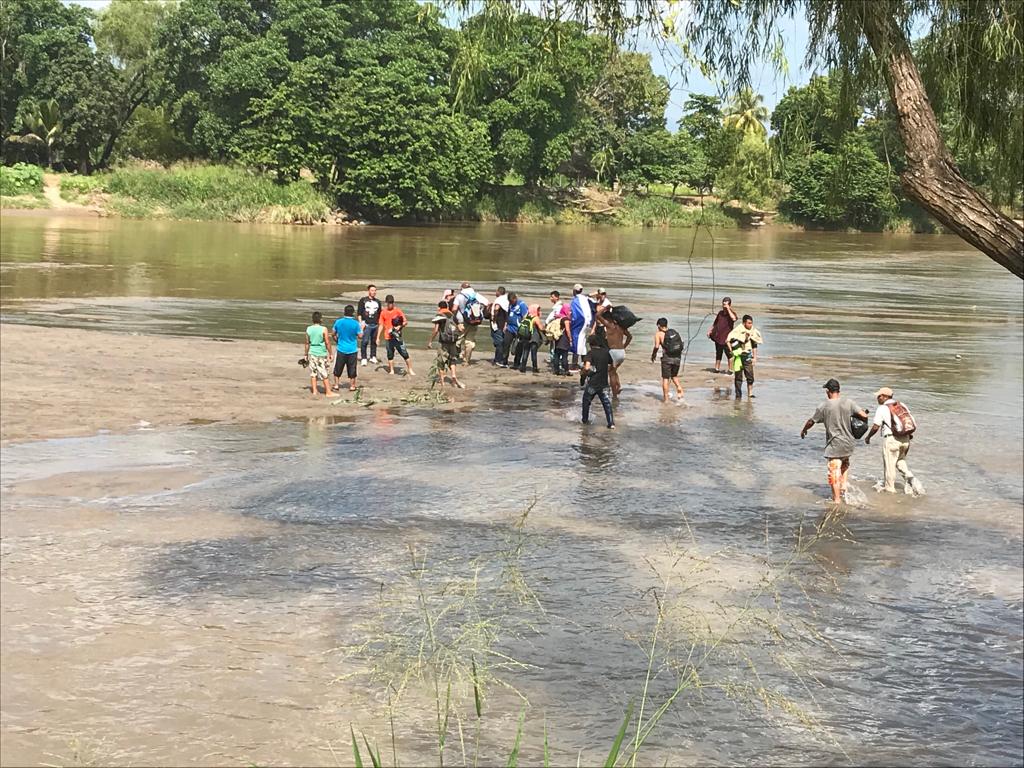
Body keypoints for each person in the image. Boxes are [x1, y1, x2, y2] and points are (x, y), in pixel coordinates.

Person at [801, 379, 869, 504]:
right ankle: (843, 492)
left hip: (834, 445)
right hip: (849, 444)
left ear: (828, 391)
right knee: (844, 466)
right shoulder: (849, 402)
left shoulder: (824, 406)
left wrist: (804, 430)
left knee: (833, 472)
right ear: (839, 390)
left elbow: (812, 421)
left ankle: (836, 501)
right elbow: (864, 416)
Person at [865, 386, 925, 496]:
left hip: (892, 440)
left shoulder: (883, 408)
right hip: (906, 439)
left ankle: (890, 494)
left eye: (879, 396)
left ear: (884, 397)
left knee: (889, 467)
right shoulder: (901, 405)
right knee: (900, 461)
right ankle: (910, 478)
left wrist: (868, 437)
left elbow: (875, 426)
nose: (877, 398)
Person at [428, 301, 466, 389]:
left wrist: (430, 341)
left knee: (441, 362)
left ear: (439, 307)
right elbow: (460, 328)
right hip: (452, 342)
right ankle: (453, 377)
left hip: (443, 342)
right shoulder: (453, 315)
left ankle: (442, 382)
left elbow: (436, 330)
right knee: (452, 360)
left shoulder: (440, 315)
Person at [597, 304, 633, 396]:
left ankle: (614, 394)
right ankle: (618, 386)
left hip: (614, 352)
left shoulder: (609, 325)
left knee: (611, 373)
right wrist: (624, 346)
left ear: (607, 319)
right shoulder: (621, 326)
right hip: (622, 352)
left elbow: (597, 315)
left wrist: (605, 308)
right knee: (613, 370)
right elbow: (630, 337)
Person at [581, 333, 615, 429]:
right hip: (604, 383)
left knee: (586, 401)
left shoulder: (590, 353)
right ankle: (611, 423)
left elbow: (587, 368)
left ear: (590, 344)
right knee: (607, 403)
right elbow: (612, 365)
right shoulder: (605, 352)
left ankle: (585, 420)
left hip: (593, 384)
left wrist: (584, 372)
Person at [377, 295, 415, 376]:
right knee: (390, 354)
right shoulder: (383, 312)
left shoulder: (398, 311)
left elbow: (405, 322)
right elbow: (381, 325)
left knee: (404, 353)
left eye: (391, 303)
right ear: (386, 303)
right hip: (388, 336)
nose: (390, 304)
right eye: (389, 303)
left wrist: (399, 326)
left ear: (393, 303)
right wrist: (377, 337)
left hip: (397, 336)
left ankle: (410, 369)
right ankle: (391, 370)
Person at [726, 314, 763, 398]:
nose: (750, 325)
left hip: (748, 356)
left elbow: (754, 346)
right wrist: (731, 351)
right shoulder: (737, 331)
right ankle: (738, 394)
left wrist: (755, 358)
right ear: (744, 323)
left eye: (751, 323)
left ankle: (750, 393)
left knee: (750, 376)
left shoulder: (753, 333)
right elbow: (728, 340)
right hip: (738, 357)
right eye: (749, 323)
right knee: (738, 377)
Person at [651, 317, 684, 402]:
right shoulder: (673, 332)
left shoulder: (659, 334)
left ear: (659, 325)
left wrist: (653, 355)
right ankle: (679, 387)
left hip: (667, 358)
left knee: (665, 378)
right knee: (674, 376)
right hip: (677, 357)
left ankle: (666, 399)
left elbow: (656, 346)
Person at [303, 311, 336, 397]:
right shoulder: (323, 329)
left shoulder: (308, 329)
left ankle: (314, 391)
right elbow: (327, 342)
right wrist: (331, 353)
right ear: (320, 319)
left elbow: (307, 343)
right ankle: (328, 392)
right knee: (324, 372)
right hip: (321, 353)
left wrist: (305, 354)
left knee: (313, 373)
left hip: (312, 353)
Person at [331, 304, 362, 392]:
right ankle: (352, 385)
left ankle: (336, 384)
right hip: (352, 349)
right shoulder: (356, 324)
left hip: (341, 348)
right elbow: (360, 336)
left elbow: (333, 333)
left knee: (338, 367)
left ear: (344, 312)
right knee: (352, 368)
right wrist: (362, 328)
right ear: (353, 313)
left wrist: (337, 340)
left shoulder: (339, 322)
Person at [707, 297, 737, 373]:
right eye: (723, 304)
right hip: (718, 337)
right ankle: (717, 368)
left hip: (727, 339)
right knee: (718, 353)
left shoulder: (732, 313)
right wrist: (710, 330)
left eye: (726, 304)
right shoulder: (720, 313)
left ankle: (730, 370)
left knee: (729, 355)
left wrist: (728, 309)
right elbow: (715, 323)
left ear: (729, 305)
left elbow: (734, 319)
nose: (724, 306)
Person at [569, 283, 594, 371]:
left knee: (577, 342)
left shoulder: (575, 301)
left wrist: (571, 323)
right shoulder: (585, 298)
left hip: (580, 323)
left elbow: (574, 315)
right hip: (588, 322)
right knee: (583, 343)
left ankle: (575, 364)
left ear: (574, 291)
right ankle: (585, 363)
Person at [514, 304, 545, 373]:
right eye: (538, 310)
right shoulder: (536, 318)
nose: (539, 311)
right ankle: (535, 368)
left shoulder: (526, 316)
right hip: (534, 338)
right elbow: (541, 328)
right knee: (533, 353)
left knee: (525, 352)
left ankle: (523, 367)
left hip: (526, 337)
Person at [502, 291, 528, 368]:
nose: (511, 302)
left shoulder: (521, 305)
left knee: (518, 347)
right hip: (510, 328)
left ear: (515, 298)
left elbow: (525, 316)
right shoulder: (510, 304)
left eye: (512, 301)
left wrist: (523, 327)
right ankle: (504, 361)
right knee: (505, 343)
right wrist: (505, 324)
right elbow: (508, 315)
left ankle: (516, 363)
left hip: (518, 329)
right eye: (510, 301)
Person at [357, 284, 382, 366]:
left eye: (375, 290)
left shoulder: (378, 302)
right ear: (369, 291)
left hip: (375, 324)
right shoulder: (363, 300)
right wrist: (361, 323)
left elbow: (379, 314)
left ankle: (373, 356)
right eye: (372, 290)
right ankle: (364, 358)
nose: (374, 292)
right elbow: (359, 313)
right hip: (366, 324)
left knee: (374, 342)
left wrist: (380, 323)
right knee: (364, 341)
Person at [490, 286, 509, 366]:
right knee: (501, 342)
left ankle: (499, 360)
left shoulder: (499, 300)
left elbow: (496, 308)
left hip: (498, 324)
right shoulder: (507, 299)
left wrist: (493, 319)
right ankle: (498, 359)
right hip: (505, 323)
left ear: (498, 292)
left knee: (499, 342)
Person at [552, 303, 572, 376]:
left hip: (558, 338)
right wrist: (570, 339)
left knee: (556, 355)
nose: (570, 311)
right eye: (569, 309)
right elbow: (567, 330)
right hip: (564, 339)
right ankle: (566, 370)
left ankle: (556, 370)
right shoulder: (566, 319)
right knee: (564, 355)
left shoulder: (558, 317)